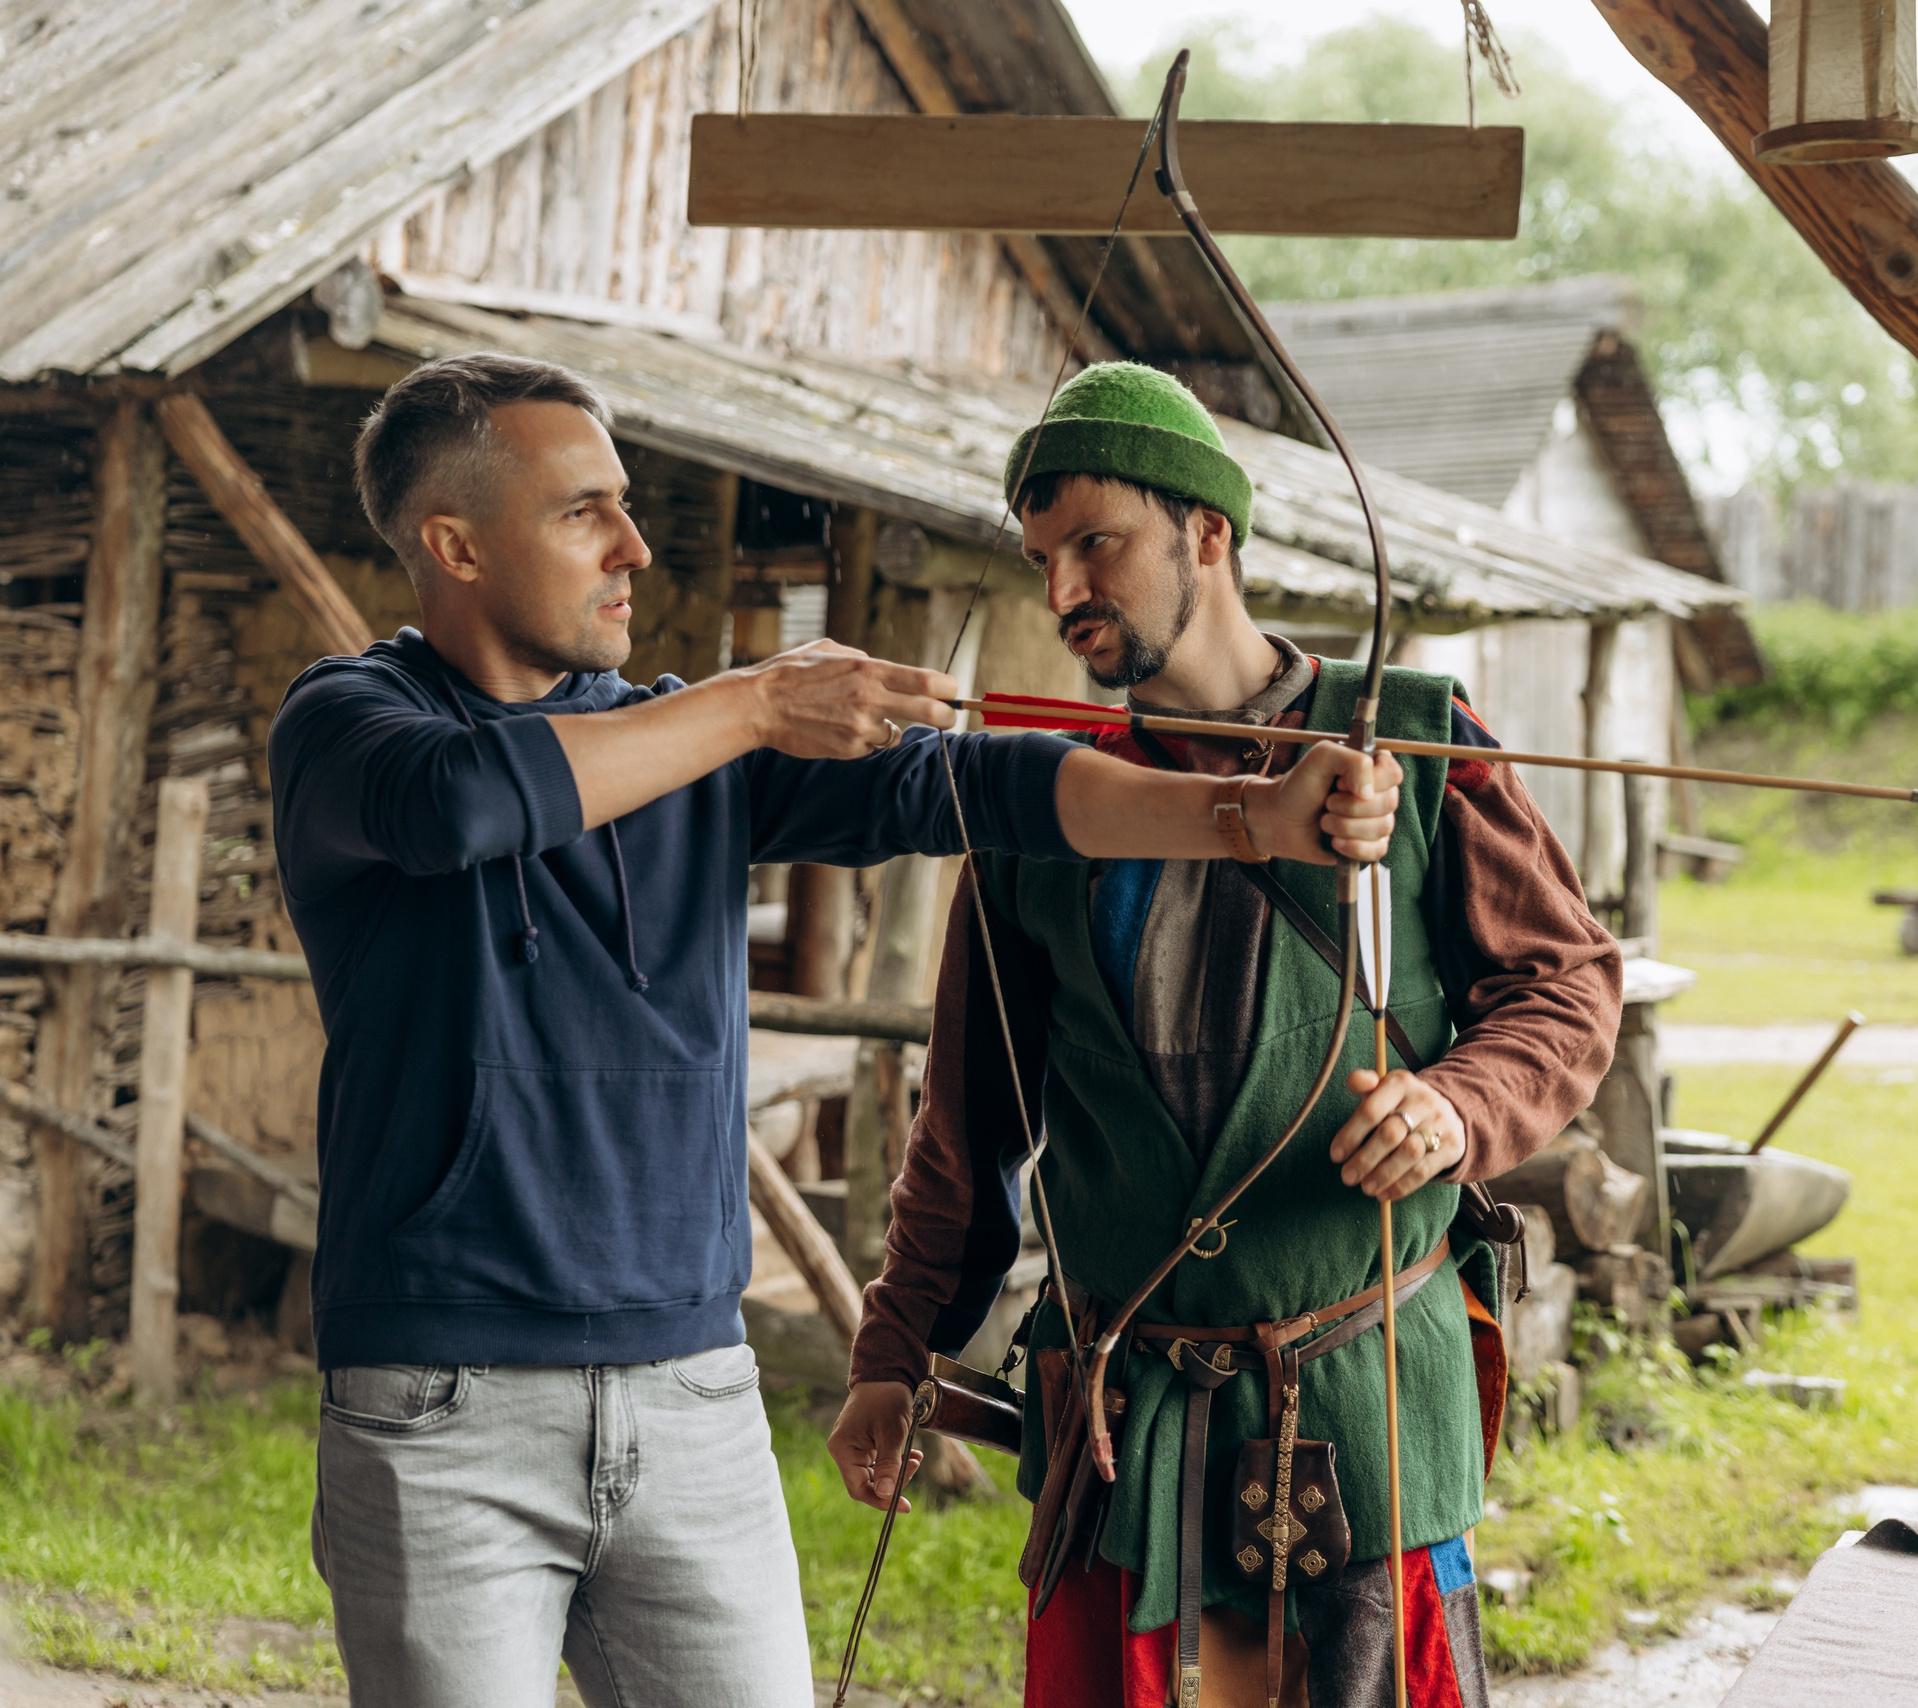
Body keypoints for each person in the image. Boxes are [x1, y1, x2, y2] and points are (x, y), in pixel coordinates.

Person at [268, 352, 1403, 1708]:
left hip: (691, 1392)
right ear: (452, 543)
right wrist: (754, 701)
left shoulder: (685, 751)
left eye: (627, 505)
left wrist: (1250, 820)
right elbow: (462, 803)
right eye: (585, 512)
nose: (633, 545)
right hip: (443, 1406)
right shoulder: (348, 727)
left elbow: (992, 788)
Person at [831, 364, 1623, 1707]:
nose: (1065, 590)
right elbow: (969, 1129)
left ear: (1209, 530)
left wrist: (1456, 1108)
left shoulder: (1415, 748)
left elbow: (1564, 984)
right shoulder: (1049, 805)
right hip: (1125, 1420)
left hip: (1362, 1393)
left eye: (1098, 543)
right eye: (1041, 559)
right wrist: (893, 1354)